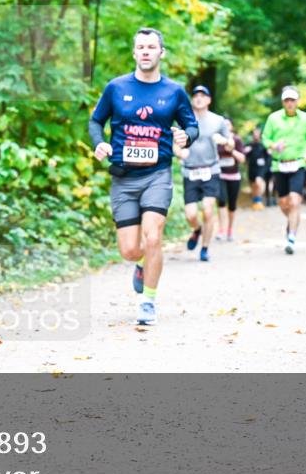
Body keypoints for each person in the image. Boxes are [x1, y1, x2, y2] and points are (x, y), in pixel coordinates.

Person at [89, 27, 199, 326]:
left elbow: (192, 126)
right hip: (123, 178)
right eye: (141, 47)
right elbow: (96, 120)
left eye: (152, 47)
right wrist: (99, 141)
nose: (146, 51)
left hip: (157, 175)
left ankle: (147, 301)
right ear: (135, 53)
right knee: (129, 249)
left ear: (161, 52)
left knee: (153, 237)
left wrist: (184, 137)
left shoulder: (174, 91)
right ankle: (139, 264)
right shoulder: (116, 87)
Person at [173, 85, 230, 263]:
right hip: (190, 172)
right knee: (190, 214)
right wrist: (179, 152)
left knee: (207, 210)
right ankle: (196, 230)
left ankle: (204, 248)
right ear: (192, 100)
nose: (199, 98)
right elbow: (174, 143)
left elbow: (230, 145)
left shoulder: (218, 121)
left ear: (208, 100)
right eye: (195, 95)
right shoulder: (183, 120)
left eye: (202, 95)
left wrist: (225, 141)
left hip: (210, 171)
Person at [261, 86, 306, 255]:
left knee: (295, 200)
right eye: (287, 100)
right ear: (283, 102)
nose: (290, 103)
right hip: (279, 164)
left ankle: (291, 237)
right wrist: (273, 145)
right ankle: (293, 220)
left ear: (297, 101)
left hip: (298, 164)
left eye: (293, 100)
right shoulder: (273, 118)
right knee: (284, 203)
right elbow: (265, 138)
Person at [215, 117, 246, 241]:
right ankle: (221, 230)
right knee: (222, 202)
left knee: (232, 205)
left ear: (232, 127)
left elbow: (242, 159)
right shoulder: (216, 140)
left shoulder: (237, 140)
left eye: (228, 124)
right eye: (224, 125)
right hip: (220, 176)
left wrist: (231, 150)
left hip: (234, 177)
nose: (226, 127)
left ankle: (230, 230)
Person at [245, 127, 271, 210]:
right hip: (251, 168)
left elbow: (268, 156)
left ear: (260, 135)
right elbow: (244, 157)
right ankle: (256, 202)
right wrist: (245, 151)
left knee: (258, 182)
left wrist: (267, 166)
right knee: (253, 186)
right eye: (254, 134)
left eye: (257, 134)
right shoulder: (248, 145)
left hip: (261, 168)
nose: (256, 135)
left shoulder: (263, 145)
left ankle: (259, 201)